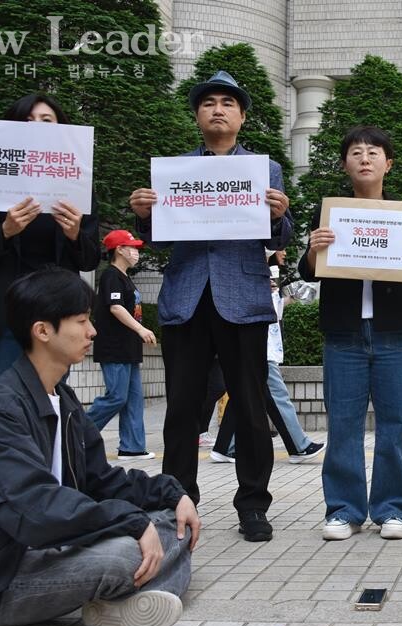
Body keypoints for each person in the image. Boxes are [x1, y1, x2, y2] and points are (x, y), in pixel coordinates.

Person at [0, 268, 200, 626]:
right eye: (82, 321)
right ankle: (141, 592)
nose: (92, 331)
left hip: (46, 548)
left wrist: (173, 492)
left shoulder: (63, 398)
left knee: (173, 521)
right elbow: (32, 506)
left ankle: (126, 601)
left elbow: (101, 480)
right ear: (43, 331)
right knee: (129, 551)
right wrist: (133, 523)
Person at [129, 70, 292, 543]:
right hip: (186, 297)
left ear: (241, 116)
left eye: (227, 103)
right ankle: (178, 503)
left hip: (242, 297)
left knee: (249, 405)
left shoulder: (267, 170)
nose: (217, 109)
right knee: (181, 408)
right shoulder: (175, 171)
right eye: (208, 103)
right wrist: (145, 214)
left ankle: (254, 506)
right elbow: (158, 238)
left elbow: (280, 236)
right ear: (198, 115)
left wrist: (278, 217)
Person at [299, 125, 402, 541]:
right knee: (343, 423)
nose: (365, 158)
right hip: (343, 333)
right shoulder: (328, 214)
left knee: (396, 422)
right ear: (345, 164)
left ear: (388, 164)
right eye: (356, 152)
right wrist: (313, 246)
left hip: (395, 332)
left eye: (374, 152)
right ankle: (343, 510)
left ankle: (393, 509)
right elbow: (309, 270)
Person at [0, 93, 100, 386]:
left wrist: (75, 235)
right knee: (2, 404)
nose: (37, 126)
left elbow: (91, 258)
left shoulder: (77, 184)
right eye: (27, 120)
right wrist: (4, 231)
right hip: (2, 315)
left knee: (50, 405)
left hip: (57, 314)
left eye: (47, 120)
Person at [210, 264, 326, 464]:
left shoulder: (264, 275)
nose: (282, 252)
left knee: (243, 395)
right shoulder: (256, 267)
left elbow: (274, 311)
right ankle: (299, 445)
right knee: (278, 396)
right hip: (261, 349)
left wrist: (288, 297)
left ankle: (225, 446)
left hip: (259, 347)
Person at [85, 230, 156, 460]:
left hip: (128, 348)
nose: (136, 252)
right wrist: (140, 329)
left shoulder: (125, 277)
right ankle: (77, 433)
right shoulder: (111, 276)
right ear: (119, 250)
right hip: (114, 347)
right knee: (116, 397)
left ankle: (132, 447)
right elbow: (115, 307)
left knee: (133, 400)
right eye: (132, 247)